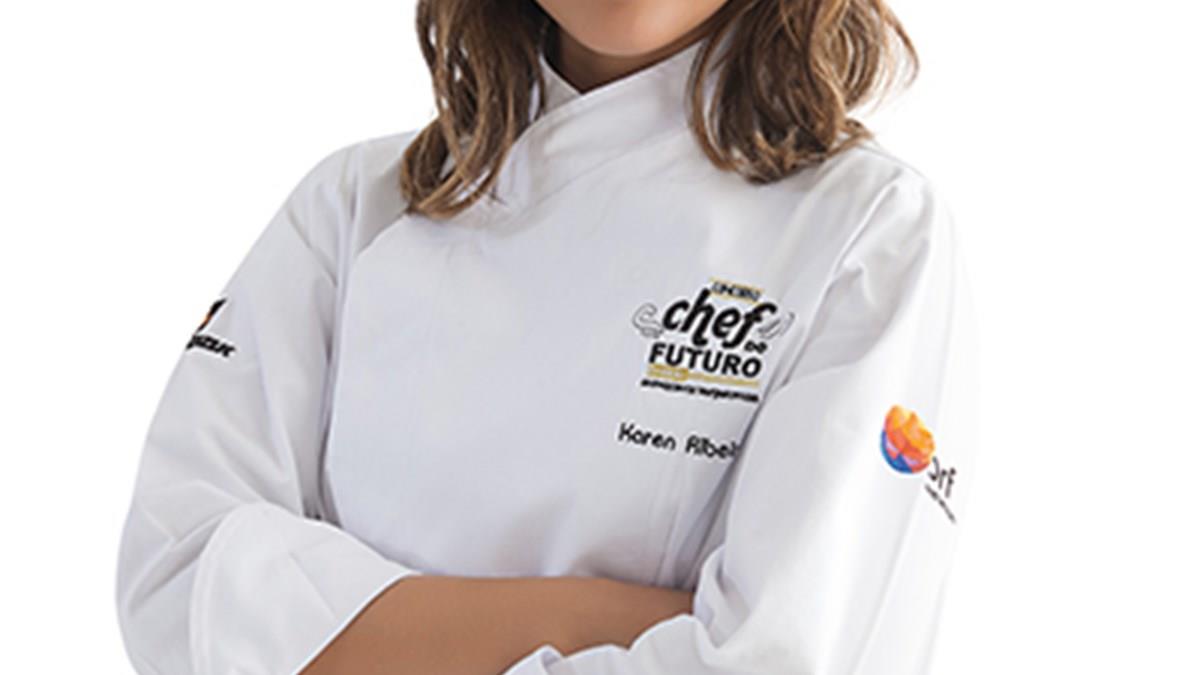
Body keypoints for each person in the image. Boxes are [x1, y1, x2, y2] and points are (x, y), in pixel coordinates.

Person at [115, 0, 979, 673]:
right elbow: (175, 579)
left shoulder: (871, 234)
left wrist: (318, 632)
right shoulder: (351, 208)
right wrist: (602, 615)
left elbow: (780, 661)